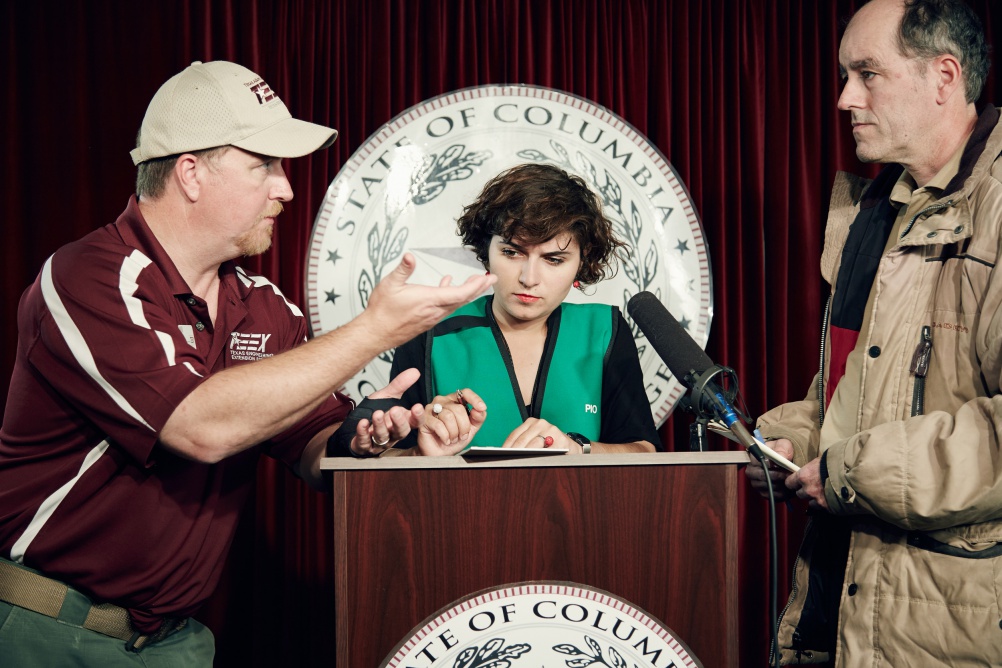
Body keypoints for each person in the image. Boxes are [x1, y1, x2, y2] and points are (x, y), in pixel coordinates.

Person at [0, 60, 494, 665]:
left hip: (176, 642)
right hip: (52, 631)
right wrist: (376, 328)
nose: (285, 188)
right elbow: (199, 428)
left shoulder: (263, 306)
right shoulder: (91, 275)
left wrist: (377, 440)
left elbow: (312, 449)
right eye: (263, 166)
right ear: (190, 173)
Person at [744, 0, 1002, 664]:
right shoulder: (874, 211)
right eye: (843, 75)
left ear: (944, 78)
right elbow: (852, 389)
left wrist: (850, 470)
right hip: (836, 601)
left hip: (947, 623)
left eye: (866, 73)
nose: (843, 98)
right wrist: (792, 439)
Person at [388, 163, 661, 456]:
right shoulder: (429, 332)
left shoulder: (605, 330)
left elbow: (644, 450)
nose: (528, 278)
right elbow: (383, 461)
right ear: (486, 252)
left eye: (554, 259)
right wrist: (420, 454)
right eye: (512, 252)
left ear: (581, 263)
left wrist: (578, 449)